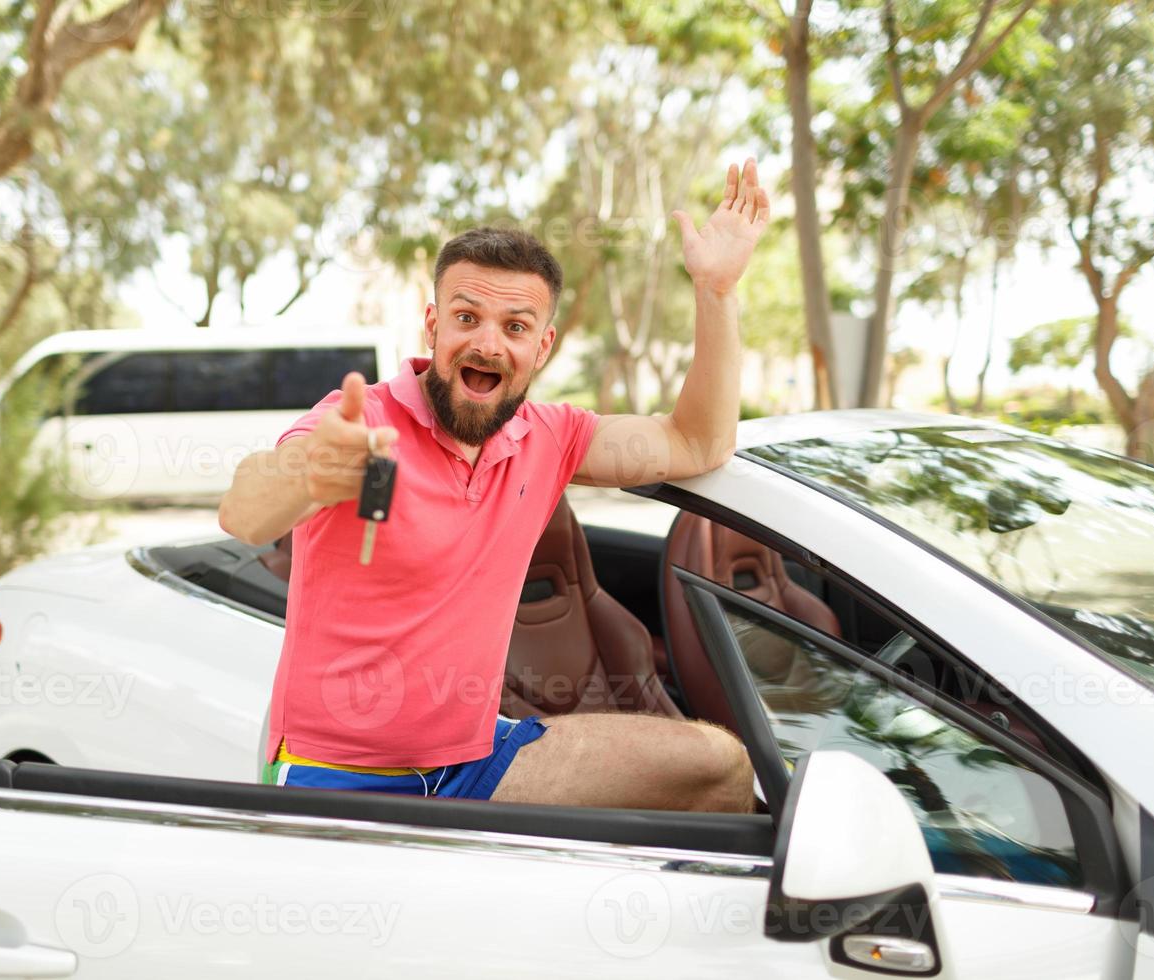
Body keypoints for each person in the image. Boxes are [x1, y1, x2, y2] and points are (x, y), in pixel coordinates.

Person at [219, 159, 771, 812]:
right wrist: (308, 472)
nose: (487, 342)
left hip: (477, 763)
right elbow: (244, 514)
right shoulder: (361, 421)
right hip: (339, 775)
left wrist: (717, 292)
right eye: (467, 317)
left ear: (543, 347)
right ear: (433, 324)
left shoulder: (553, 436)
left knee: (719, 767)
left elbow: (697, 442)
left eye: (514, 327)